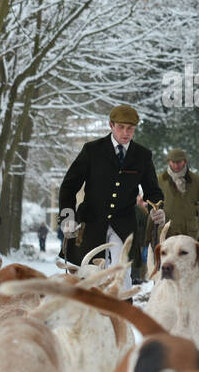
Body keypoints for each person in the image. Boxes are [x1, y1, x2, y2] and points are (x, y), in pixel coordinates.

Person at [58, 103, 165, 279]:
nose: (126, 133)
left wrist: (157, 208)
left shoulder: (142, 155)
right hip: (92, 222)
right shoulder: (92, 150)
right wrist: (68, 216)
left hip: (124, 224)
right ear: (111, 125)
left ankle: (121, 304)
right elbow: (69, 186)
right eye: (121, 127)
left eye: (130, 128)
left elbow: (152, 190)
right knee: (91, 275)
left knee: (121, 274)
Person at [157, 148, 199, 240]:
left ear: (185, 161)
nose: (175, 165)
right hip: (167, 229)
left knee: (188, 254)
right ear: (168, 162)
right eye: (172, 162)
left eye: (178, 162)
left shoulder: (195, 180)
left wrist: (195, 210)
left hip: (188, 230)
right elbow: (152, 201)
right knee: (167, 254)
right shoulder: (161, 179)